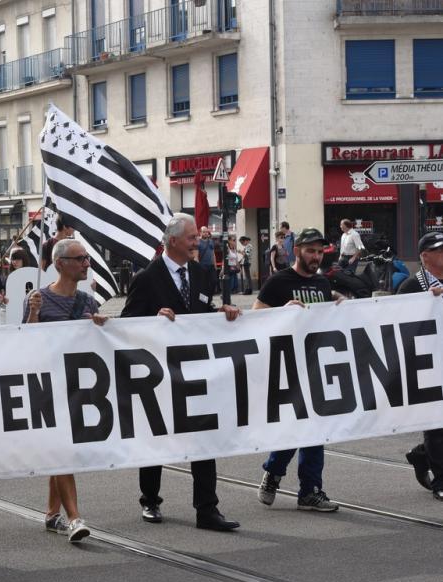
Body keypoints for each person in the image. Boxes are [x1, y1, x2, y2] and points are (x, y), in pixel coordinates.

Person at [121, 213, 241, 532]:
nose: (196, 243)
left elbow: (203, 313)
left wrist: (222, 313)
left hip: (196, 369)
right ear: (172, 241)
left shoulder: (202, 274)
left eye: (196, 238)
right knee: (156, 437)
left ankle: (207, 510)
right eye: (191, 238)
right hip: (159, 373)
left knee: (205, 439)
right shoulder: (147, 278)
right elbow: (127, 322)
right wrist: (152, 317)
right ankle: (150, 500)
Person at [24, 238, 107, 543]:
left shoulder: (88, 301)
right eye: (79, 258)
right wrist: (33, 314)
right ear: (60, 264)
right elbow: (24, 344)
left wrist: (101, 326)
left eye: (87, 258)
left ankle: (51, 514)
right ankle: (74, 518)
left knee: (60, 451)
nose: (86, 263)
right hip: (47, 386)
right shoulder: (39, 299)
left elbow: (101, 343)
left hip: (78, 385)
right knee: (62, 452)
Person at [254, 228, 340, 512]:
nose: (316, 257)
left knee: (315, 428)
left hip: (316, 365)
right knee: (295, 426)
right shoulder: (278, 281)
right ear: (297, 250)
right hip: (285, 367)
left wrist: (342, 309)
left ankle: (310, 490)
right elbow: (255, 317)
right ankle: (275, 471)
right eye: (311, 251)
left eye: (319, 252)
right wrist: (280, 311)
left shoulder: (322, 284)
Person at [398, 231, 443, 501]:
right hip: (427, 365)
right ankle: (441, 478)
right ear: (425, 257)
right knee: (437, 423)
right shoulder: (411, 287)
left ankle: (422, 454)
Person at [196, 226, 216, 303]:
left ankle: (209, 299)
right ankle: (205, 301)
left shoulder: (210, 241)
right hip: (202, 266)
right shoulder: (198, 242)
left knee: (214, 282)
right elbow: (196, 256)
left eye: (207, 232)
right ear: (200, 233)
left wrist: (214, 265)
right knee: (203, 285)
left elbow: (213, 254)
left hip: (211, 266)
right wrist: (198, 267)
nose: (206, 233)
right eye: (204, 232)